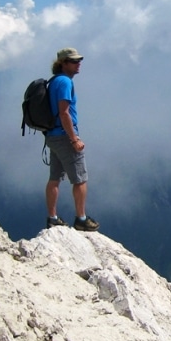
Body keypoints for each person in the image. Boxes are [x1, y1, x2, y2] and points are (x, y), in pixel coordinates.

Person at [44, 47, 100, 231]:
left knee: (54, 178)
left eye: (78, 61)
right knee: (80, 179)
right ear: (63, 64)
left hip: (52, 135)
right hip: (64, 136)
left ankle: (52, 217)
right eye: (74, 61)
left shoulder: (53, 82)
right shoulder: (65, 82)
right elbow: (64, 112)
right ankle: (81, 219)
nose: (78, 64)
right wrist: (74, 139)